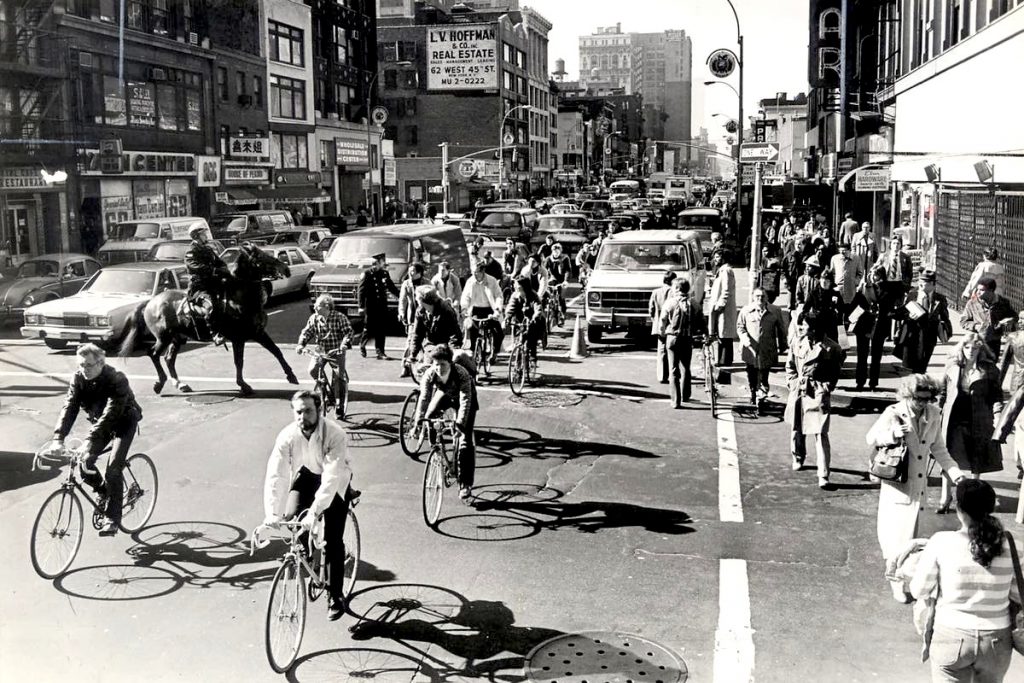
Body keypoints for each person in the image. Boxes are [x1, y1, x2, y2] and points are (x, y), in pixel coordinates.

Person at [866, 374, 966, 602]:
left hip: (919, 487)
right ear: (908, 395)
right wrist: (892, 435)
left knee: (915, 539)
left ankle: (908, 577)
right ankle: (896, 582)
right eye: (918, 399)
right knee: (897, 539)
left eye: (927, 398)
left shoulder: (933, 414)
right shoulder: (894, 412)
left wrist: (955, 473)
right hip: (898, 485)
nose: (922, 403)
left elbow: (939, 449)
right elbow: (870, 438)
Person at [910, 479, 1019, 682]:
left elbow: (918, 590)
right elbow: (1018, 593)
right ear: (991, 507)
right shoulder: (1014, 547)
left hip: (950, 636)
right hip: (997, 641)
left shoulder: (941, 542)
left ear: (958, 508)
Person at [263, 390, 354, 620]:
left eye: (308, 411)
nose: (303, 416)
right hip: (306, 477)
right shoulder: (287, 435)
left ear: (319, 410)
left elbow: (331, 478)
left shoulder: (335, 434)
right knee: (293, 518)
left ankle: (335, 595)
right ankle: (308, 553)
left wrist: (315, 512)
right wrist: (271, 513)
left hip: (335, 481)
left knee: (333, 540)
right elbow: (277, 474)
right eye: (298, 412)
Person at [49, 344, 143, 536]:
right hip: (101, 426)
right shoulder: (78, 378)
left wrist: (90, 440)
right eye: (81, 365)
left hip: (123, 421)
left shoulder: (117, 379)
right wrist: (58, 438)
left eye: (89, 365)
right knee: (85, 462)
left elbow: (112, 413)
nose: (85, 370)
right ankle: (103, 492)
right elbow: (70, 407)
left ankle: (113, 519)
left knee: (113, 469)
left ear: (101, 363)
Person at [936, 332, 1004, 512]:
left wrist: (997, 415)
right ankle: (945, 496)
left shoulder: (989, 369)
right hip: (954, 418)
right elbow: (943, 392)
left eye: (975, 347)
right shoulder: (952, 366)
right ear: (961, 348)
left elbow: (996, 395)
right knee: (948, 455)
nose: (970, 351)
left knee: (976, 459)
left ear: (981, 348)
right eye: (967, 347)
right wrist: (936, 412)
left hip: (979, 418)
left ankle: (974, 498)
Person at [785, 315, 845, 489]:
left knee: (820, 432)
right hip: (799, 390)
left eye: (804, 327)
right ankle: (798, 457)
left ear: (814, 329)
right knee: (797, 428)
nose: (801, 329)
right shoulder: (798, 343)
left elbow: (835, 372)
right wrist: (792, 382)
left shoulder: (832, 348)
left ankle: (823, 474)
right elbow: (790, 366)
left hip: (817, 392)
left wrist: (827, 387)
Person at [415, 344, 478, 502]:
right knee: (429, 416)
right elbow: (424, 398)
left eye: (443, 364)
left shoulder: (461, 373)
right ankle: (437, 449)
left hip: (464, 400)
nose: (439, 368)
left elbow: (465, 401)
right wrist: (419, 420)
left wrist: (459, 424)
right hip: (444, 394)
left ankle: (465, 484)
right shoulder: (430, 374)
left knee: (465, 441)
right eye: (436, 364)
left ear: (451, 364)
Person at [296, 294, 353, 419]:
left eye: (317, 305)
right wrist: (301, 345)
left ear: (326, 306)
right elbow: (306, 332)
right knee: (312, 370)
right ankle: (324, 392)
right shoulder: (314, 318)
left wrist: (344, 344)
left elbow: (348, 332)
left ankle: (339, 405)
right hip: (321, 351)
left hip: (336, 350)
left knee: (339, 377)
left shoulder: (339, 317)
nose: (315, 308)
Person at [850, 266, 901, 391]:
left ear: (882, 276)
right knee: (862, 355)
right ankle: (860, 382)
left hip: (880, 325)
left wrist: (889, 313)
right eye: (872, 274)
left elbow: (892, 306)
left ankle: (873, 382)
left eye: (876, 275)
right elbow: (855, 303)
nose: (873, 277)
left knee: (876, 356)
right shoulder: (864, 287)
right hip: (864, 324)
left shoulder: (889, 289)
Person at [736, 287, 787, 405]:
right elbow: (740, 327)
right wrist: (745, 339)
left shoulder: (775, 311)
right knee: (751, 373)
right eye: (757, 296)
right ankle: (753, 392)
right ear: (753, 297)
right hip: (750, 349)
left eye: (762, 296)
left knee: (764, 375)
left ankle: (762, 398)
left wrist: (783, 345)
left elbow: (781, 329)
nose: (760, 298)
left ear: (767, 298)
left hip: (767, 349)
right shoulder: (746, 310)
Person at [659, 278, 704, 407]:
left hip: (672, 338)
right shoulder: (694, 303)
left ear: (677, 289)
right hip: (687, 338)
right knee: (686, 367)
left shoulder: (670, 303)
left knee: (673, 369)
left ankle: (675, 400)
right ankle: (685, 395)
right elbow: (701, 321)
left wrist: (662, 333)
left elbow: (663, 320)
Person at [183, 223, 230, 346]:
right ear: (197, 236)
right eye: (203, 234)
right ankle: (214, 334)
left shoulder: (208, 249)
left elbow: (219, 262)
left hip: (213, 284)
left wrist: (224, 269)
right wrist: (214, 270)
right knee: (209, 306)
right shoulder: (191, 250)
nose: (206, 236)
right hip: (200, 287)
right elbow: (193, 266)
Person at [896, 270, 952, 374]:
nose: (920, 284)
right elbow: (903, 312)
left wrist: (945, 331)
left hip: (929, 336)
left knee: (923, 364)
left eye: (925, 281)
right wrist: (909, 316)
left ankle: (918, 382)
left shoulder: (940, 299)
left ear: (932, 284)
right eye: (920, 281)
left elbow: (945, 318)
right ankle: (915, 384)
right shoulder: (912, 295)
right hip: (913, 334)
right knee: (912, 365)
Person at [407, 286, 463, 371]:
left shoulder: (446, 310)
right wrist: (413, 354)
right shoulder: (420, 311)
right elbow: (417, 334)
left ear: (423, 300)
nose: (415, 299)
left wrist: (453, 351)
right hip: (430, 345)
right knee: (427, 369)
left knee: (448, 369)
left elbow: (454, 333)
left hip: (445, 346)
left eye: (417, 297)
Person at [357, 252, 399, 360]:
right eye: (377, 263)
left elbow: (391, 287)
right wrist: (361, 306)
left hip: (382, 305)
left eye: (380, 263)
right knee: (368, 327)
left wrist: (400, 296)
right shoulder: (367, 274)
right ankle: (362, 344)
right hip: (371, 305)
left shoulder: (384, 273)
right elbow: (361, 292)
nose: (380, 265)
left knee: (381, 329)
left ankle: (380, 351)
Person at [961, 276, 1017, 358]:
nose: (978, 292)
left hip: (995, 341)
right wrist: (976, 326)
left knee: (991, 366)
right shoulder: (972, 303)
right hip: (977, 341)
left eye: (982, 290)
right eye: (977, 289)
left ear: (991, 291)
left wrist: (1008, 321)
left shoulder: (1003, 303)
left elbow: (1014, 316)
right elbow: (963, 321)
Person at [461, 262, 505, 363]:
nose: (475, 275)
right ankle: (474, 350)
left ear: (483, 272)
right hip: (475, 308)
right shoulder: (470, 281)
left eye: (477, 272)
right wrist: (464, 308)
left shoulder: (492, 280)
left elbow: (499, 296)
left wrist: (497, 310)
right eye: (473, 272)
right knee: (472, 328)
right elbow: (465, 296)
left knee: (498, 332)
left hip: (490, 309)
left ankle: (494, 352)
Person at [505, 276, 543, 364]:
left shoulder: (533, 295)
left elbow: (538, 307)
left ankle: (533, 353)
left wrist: (535, 316)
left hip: (532, 318)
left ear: (523, 286)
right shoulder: (515, 295)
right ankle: (518, 363)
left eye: (517, 284)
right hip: (519, 319)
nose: (515, 286)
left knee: (532, 334)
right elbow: (511, 307)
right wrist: (507, 317)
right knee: (519, 339)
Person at [708, 250, 737, 367]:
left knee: (724, 334)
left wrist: (720, 304)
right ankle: (723, 359)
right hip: (721, 307)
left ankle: (725, 361)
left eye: (718, 257)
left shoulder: (726, 271)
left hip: (723, 309)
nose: (716, 259)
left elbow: (726, 290)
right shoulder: (722, 270)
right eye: (715, 257)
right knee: (722, 334)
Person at [398, 263, 428, 377]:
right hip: (413, 318)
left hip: (426, 317)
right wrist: (401, 313)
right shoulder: (406, 283)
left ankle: (424, 367)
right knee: (410, 342)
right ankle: (405, 367)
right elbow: (402, 300)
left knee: (426, 343)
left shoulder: (427, 283)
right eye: (409, 271)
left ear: (419, 273)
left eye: (413, 271)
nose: (411, 274)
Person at [648, 271, 677, 384]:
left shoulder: (655, 292)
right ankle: (672, 373)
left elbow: (651, 309)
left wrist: (654, 319)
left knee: (661, 350)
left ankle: (661, 375)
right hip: (671, 325)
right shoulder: (673, 292)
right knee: (672, 350)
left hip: (659, 324)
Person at [803, 268, 845, 343]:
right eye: (822, 279)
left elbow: (842, 308)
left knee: (833, 344)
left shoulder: (835, 293)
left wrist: (840, 322)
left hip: (831, 323)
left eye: (827, 280)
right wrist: (810, 318)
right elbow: (805, 309)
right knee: (819, 345)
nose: (824, 282)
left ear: (831, 282)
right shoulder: (814, 293)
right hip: (818, 323)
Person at [829, 242, 862, 313]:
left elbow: (860, 273)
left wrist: (855, 282)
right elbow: (832, 272)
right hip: (838, 288)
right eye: (840, 251)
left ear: (849, 250)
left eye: (844, 251)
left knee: (849, 309)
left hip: (851, 288)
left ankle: (847, 322)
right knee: (838, 308)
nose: (842, 253)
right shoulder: (834, 258)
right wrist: (834, 283)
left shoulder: (856, 258)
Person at [881, 235, 913, 300]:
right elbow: (876, 269)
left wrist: (906, 286)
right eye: (894, 243)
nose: (896, 245)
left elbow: (909, 273)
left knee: (898, 307)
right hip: (886, 284)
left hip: (899, 284)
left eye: (898, 243)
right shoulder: (884, 256)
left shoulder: (906, 257)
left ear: (901, 245)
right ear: (890, 245)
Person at [546, 243, 572, 319]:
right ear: (552, 251)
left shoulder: (565, 258)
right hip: (552, 279)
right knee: (547, 294)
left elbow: (568, 270)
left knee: (560, 297)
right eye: (554, 251)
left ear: (560, 251)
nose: (556, 253)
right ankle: (549, 309)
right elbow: (544, 270)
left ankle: (562, 314)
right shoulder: (548, 259)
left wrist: (566, 280)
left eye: (558, 251)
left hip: (562, 280)